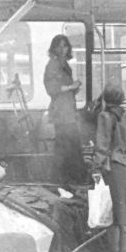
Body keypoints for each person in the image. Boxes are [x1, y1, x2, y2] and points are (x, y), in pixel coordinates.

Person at [91, 84, 126, 252]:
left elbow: (102, 145)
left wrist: (96, 169)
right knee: (125, 212)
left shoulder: (105, 117)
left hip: (114, 167)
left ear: (105, 99)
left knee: (113, 211)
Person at [44, 34, 85, 186]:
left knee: (68, 145)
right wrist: (71, 87)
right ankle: (62, 180)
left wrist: (73, 88)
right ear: (54, 48)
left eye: (65, 46)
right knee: (65, 145)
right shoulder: (53, 65)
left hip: (67, 109)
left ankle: (67, 179)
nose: (62, 49)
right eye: (59, 46)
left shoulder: (63, 64)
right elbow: (52, 88)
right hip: (61, 112)